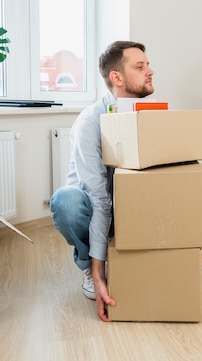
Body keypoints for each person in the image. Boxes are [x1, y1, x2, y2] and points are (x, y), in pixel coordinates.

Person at [49, 41, 154, 321]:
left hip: (128, 212)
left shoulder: (152, 117)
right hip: (92, 210)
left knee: (195, 266)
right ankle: (88, 263)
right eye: (140, 67)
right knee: (65, 201)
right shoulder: (90, 123)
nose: (150, 71)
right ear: (117, 78)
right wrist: (99, 273)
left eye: (148, 65)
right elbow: (100, 201)